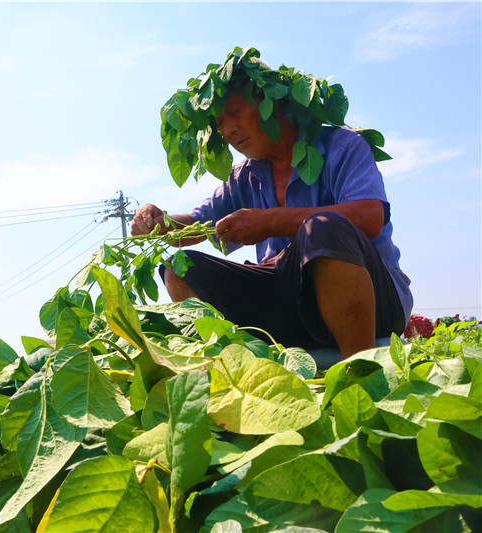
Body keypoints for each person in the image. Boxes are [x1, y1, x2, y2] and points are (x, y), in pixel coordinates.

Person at [132, 56, 412, 360]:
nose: (226, 130)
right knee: (180, 269)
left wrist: (272, 221)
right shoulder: (246, 176)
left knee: (322, 227)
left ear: (270, 101)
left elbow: (370, 217)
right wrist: (157, 222)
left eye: (234, 112)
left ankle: (358, 369)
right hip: (288, 310)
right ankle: (229, 365)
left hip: (375, 305)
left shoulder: (342, 145)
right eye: (219, 122)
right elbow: (198, 225)